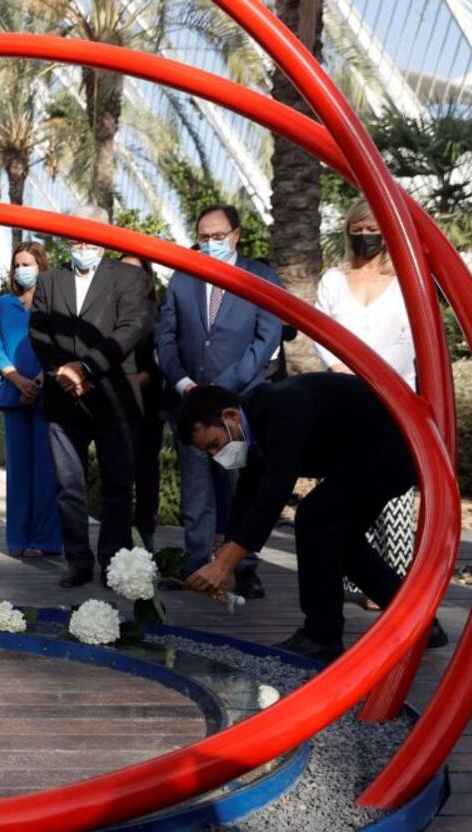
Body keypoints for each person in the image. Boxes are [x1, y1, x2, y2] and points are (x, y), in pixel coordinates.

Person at [179, 375, 447, 662]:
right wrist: (225, 553)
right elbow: (249, 491)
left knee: (315, 521)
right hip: (366, 455)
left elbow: (274, 491)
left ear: (230, 416)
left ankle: (322, 637)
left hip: (390, 448)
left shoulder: (279, 409)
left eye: (215, 444)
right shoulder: (254, 422)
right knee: (337, 537)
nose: (218, 455)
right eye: (210, 452)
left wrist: (225, 564)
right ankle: (418, 621)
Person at [155, 204, 282, 600]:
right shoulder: (183, 277)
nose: (210, 243)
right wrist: (183, 383)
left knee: (239, 486)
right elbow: (165, 336)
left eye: (217, 236)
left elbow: (266, 341)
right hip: (190, 404)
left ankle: (243, 566)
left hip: (236, 408)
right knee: (196, 491)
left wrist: (222, 390)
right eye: (203, 237)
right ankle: (196, 564)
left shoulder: (260, 277)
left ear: (236, 235)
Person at [28, 206, 152, 589]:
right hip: (63, 399)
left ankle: (112, 561)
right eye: (74, 234)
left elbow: (133, 327)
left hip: (114, 396)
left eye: (89, 233)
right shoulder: (49, 280)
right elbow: (39, 333)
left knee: (118, 484)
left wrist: (88, 369)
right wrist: (64, 373)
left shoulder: (129, 276)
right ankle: (77, 561)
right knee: (69, 486)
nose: (81, 242)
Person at [313, 198, 417, 611]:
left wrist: (379, 381)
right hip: (341, 395)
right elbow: (321, 332)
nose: (364, 237)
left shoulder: (407, 281)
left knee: (391, 495)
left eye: (372, 229)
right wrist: (344, 371)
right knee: (340, 488)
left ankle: (393, 585)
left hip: (394, 398)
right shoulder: (333, 281)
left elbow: (411, 340)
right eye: (356, 230)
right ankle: (350, 577)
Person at [0, 241, 63, 559]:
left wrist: (44, 377)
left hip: (50, 392)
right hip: (13, 393)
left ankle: (46, 540)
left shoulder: (56, 303)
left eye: (28, 264)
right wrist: (17, 379)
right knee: (18, 471)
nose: (22, 270)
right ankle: (18, 539)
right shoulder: (4, 304)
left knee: (47, 470)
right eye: (17, 264)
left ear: (41, 267)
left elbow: (64, 344)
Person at [120, 253, 165, 552]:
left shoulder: (156, 312)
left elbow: (158, 362)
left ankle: (145, 534)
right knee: (118, 474)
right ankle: (119, 536)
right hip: (113, 405)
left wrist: (130, 382)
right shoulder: (106, 309)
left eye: (136, 273)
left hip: (146, 405)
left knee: (146, 472)